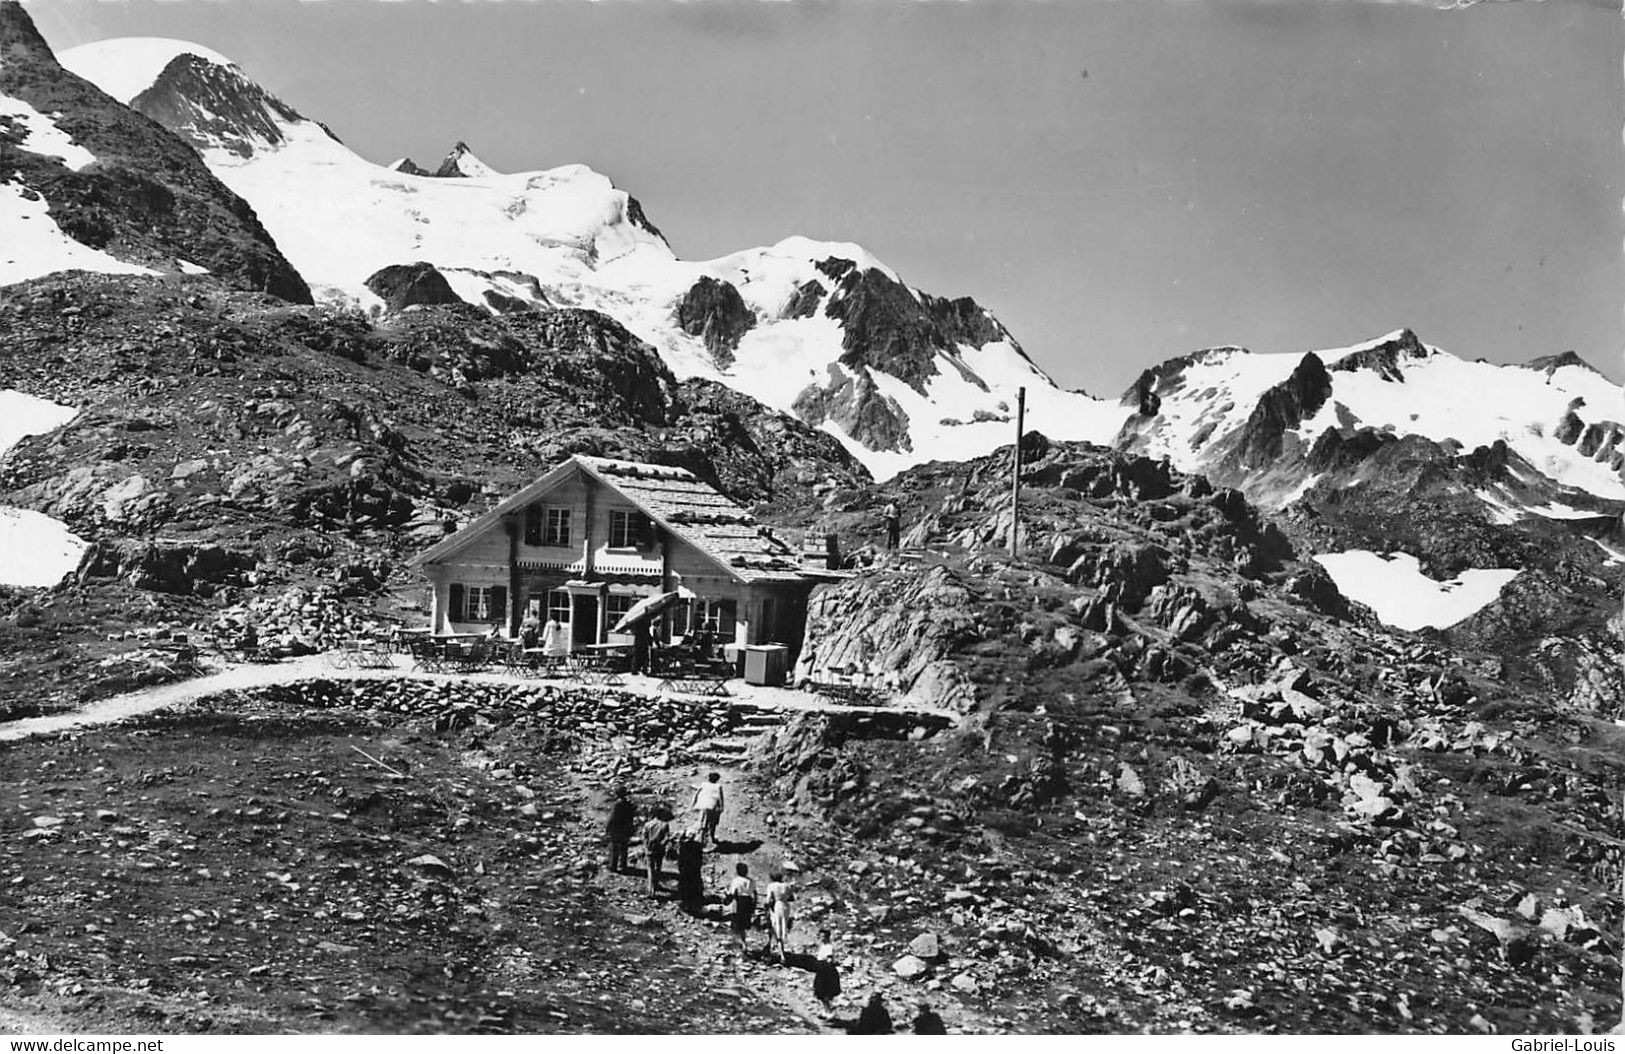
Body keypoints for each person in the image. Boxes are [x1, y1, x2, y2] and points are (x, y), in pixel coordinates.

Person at [724, 862, 758, 957]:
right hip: (748, 901)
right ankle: (743, 943)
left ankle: (740, 943)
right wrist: (754, 904)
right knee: (745, 923)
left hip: (739, 901)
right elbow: (755, 893)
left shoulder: (736, 880)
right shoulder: (751, 881)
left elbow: (734, 892)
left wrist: (727, 896)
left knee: (737, 923)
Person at [764, 869, 796, 961]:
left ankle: (782, 954)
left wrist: (766, 906)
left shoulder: (771, 886)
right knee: (783, 927)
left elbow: (768, 899)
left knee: (776, 927)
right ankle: (781, 951)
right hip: (786, 906)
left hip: (777, 906)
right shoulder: (787, 885)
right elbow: (792, 898)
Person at [641, 805, 672, 895]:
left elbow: (644, 837)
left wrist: (646, 846)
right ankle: (656, 884)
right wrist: (662, 845)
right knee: (658, 868)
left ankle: (651, 889)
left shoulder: (647, 824)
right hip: (659, 850)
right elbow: (667, 838)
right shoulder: (664, 825)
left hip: (649, 849)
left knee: (650, 869)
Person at [675, 827, 704, 914]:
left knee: (685, 887)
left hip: (685, 870)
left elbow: (680, 859)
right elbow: (700, 859)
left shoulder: (683, 846)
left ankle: (685, 905)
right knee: (694, 887)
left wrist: (680, 868)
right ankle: (695, 904)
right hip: (694, 870)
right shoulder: (698, 846)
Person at [606, 786, 635, 874]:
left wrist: (608, 827)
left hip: (616, 829)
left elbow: (612, 817)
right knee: (624, 848)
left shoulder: (617, 804)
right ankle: (623, 866)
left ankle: (613, 866)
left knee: (614, 848)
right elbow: (631, 817)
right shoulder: (628, 804)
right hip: (626, 829)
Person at [812, 929, 841, 1010]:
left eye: (823, 936)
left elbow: (829, 959)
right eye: (820, 936)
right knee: (820, 993)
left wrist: (823, 962)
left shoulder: (829, 947)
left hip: (826, 971)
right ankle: (827, 1010)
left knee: (825, 993)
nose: (821, 938)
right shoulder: (823, 946)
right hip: (821, 970)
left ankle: (829, 1011)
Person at [693, 772, 725, 847]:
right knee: (712, 823)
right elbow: (720, 798)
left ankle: (701, 840)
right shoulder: (718, 786)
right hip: (712, 806)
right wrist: (721, 807)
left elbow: (696, 794)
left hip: (702, 805)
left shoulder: (703, 784)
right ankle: (711, 838)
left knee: (703, 822)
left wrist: (694, 803)